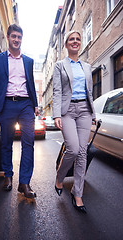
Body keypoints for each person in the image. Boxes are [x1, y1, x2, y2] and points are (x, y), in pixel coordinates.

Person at [0, 24, 39, 198]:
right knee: (6, 142)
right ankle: (8, 176)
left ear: (22, 39)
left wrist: (35, 104)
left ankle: (24, 183)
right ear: (8, 37)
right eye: (13, 36)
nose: (16, 40)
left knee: (28, 143)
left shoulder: (28, 61)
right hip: (6, 104)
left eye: (19, 37)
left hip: (25, 105)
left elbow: (31, 84)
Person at [53, 30, 96, 213]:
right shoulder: (59, 65)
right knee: (73, 148)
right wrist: (56, 114)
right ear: (66, 44)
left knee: (83, 153)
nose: (75, 41)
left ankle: (77, 193)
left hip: (85, 110)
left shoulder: (87, 66)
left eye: (78, 39)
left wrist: (93, 113)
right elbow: (57, 91)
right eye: (72, 39)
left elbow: (89, 91)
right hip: (67, 111)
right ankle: (59, 177)